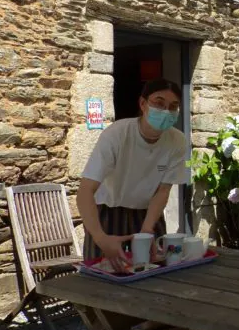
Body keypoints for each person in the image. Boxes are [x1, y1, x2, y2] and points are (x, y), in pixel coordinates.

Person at [77, 78, 187, 271]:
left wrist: (146, 231)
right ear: (143, 104)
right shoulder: (117, 134)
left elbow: (163, 190)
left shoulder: (177, 141)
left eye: (173, 106)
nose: (166, 111)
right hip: (108, 212)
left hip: (148, 214)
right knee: (104, 271)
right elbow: (85, 190)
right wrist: (100, 238)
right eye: (159, 103)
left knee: (155, 269)